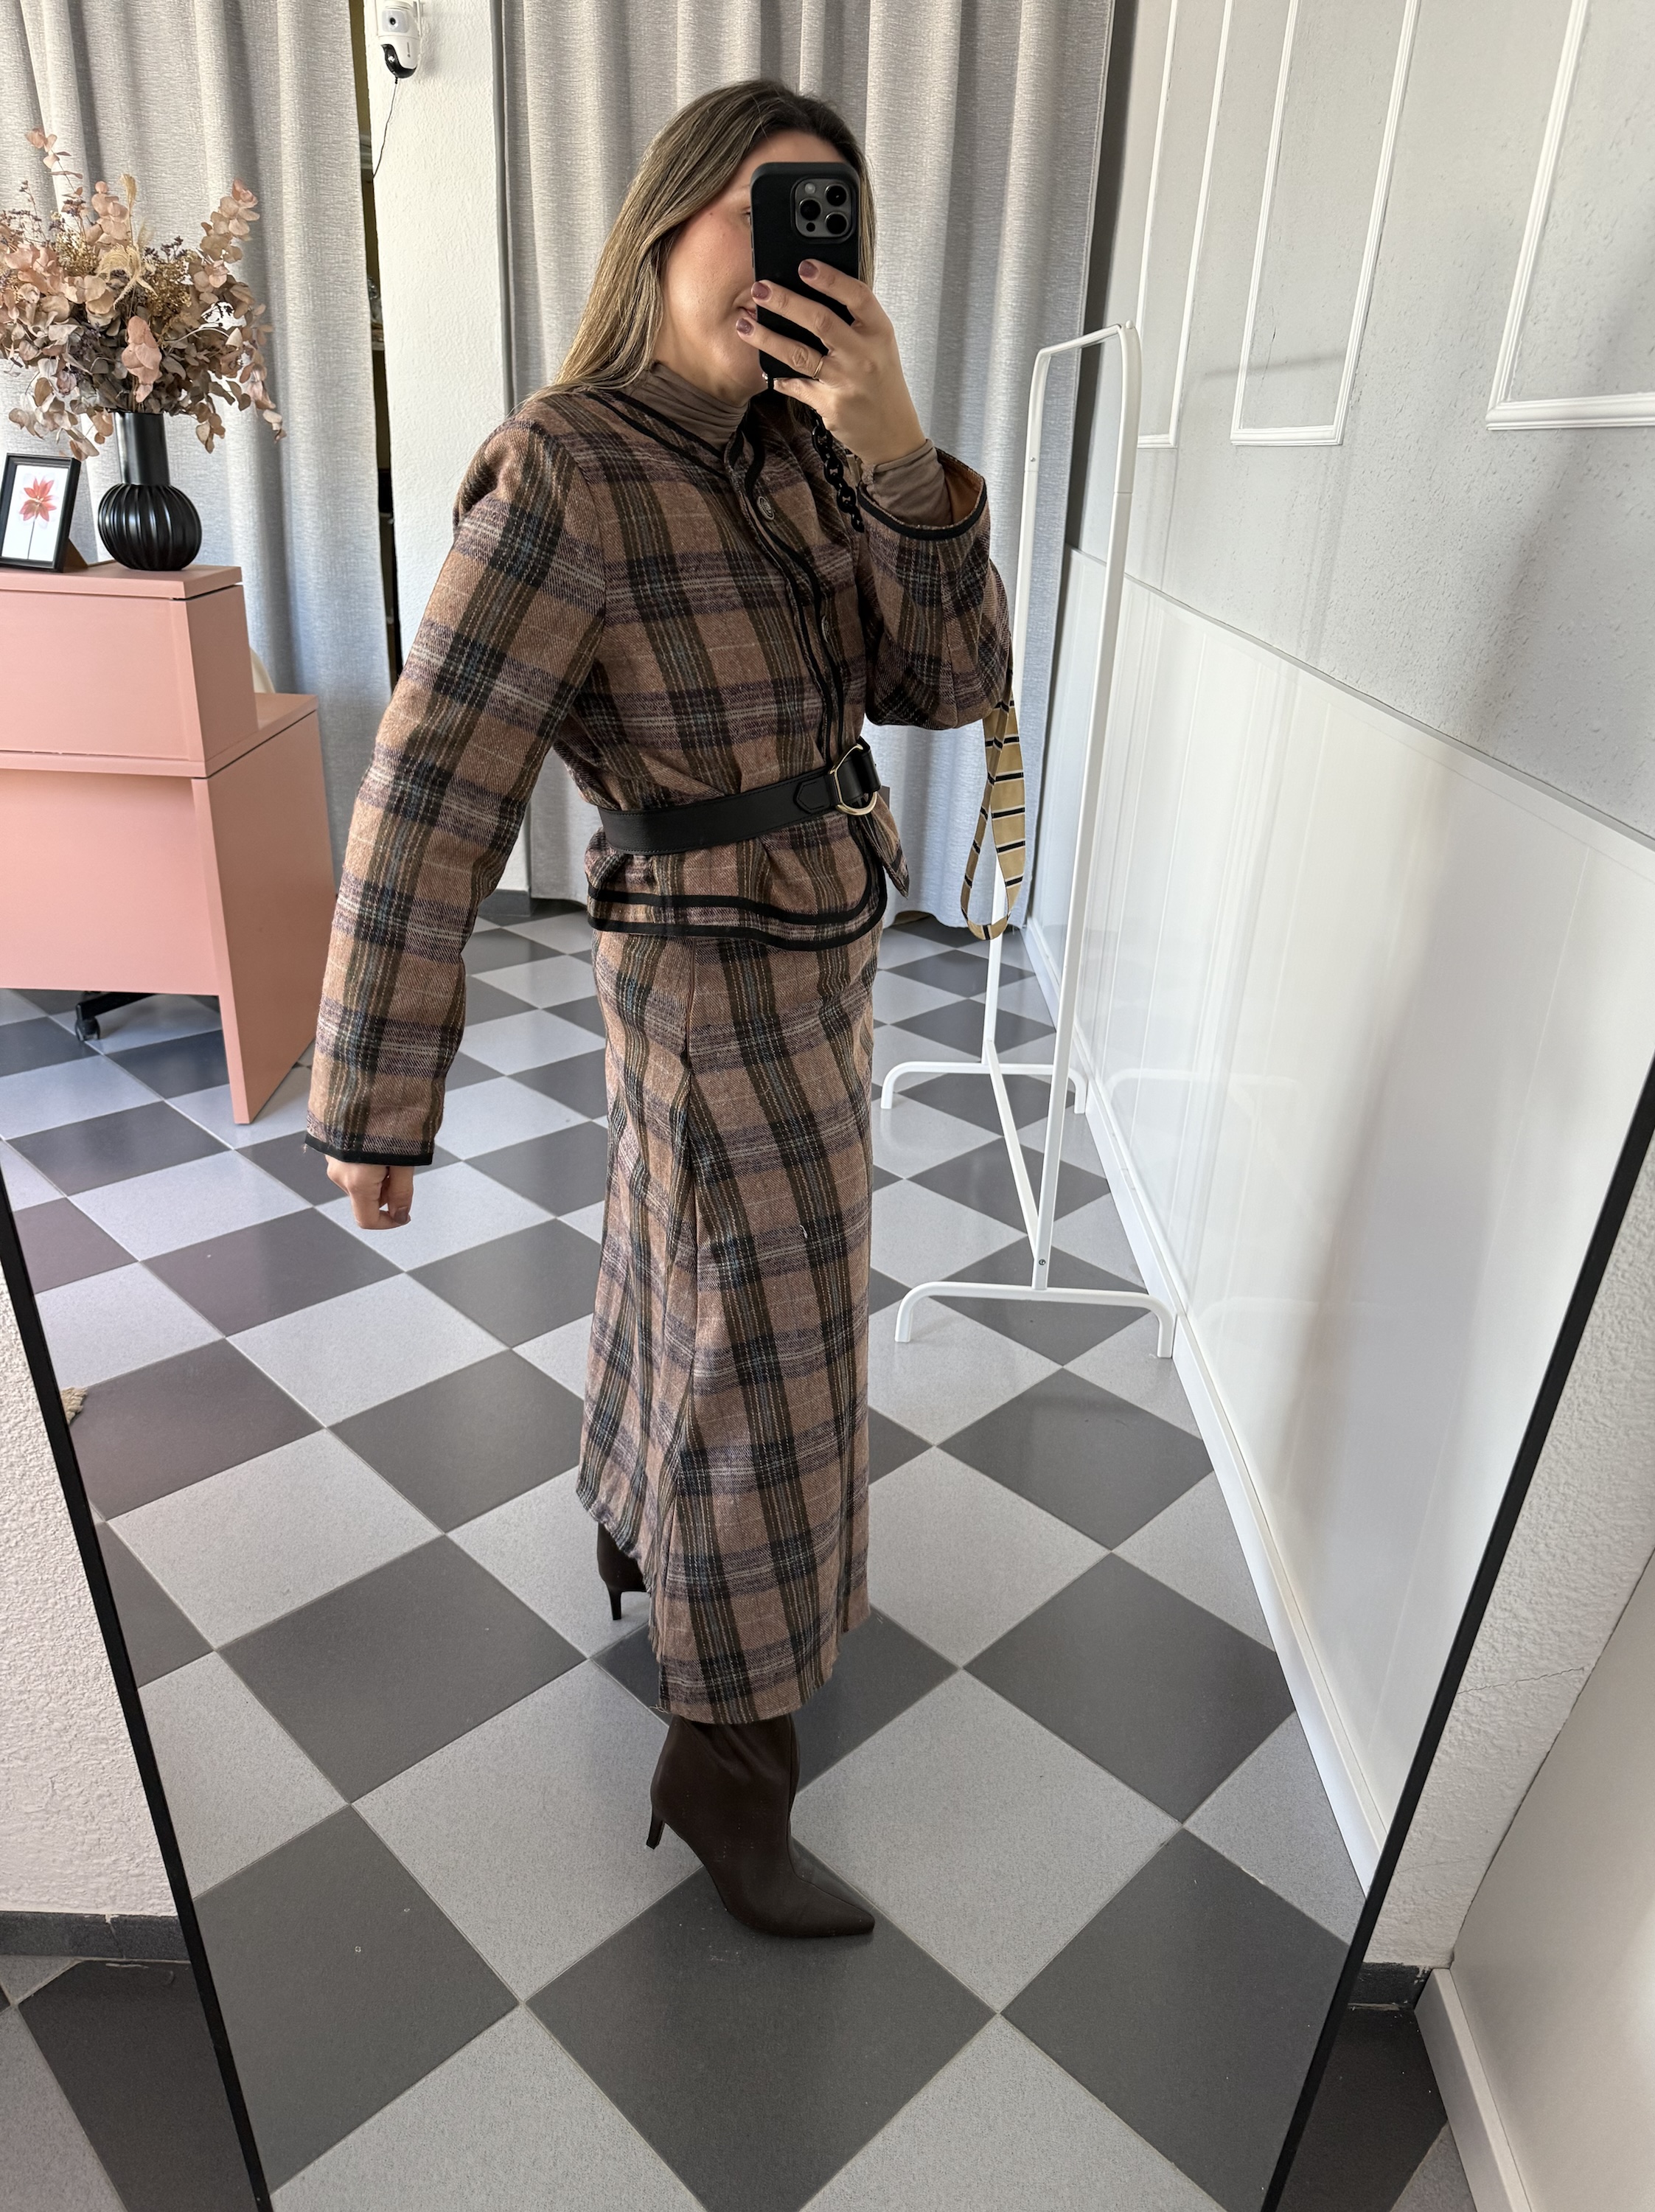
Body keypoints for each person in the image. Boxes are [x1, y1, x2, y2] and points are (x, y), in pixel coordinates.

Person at [305, 78, 1011, 1938]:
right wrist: (378, 1092)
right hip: (705, 970)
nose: (795, 261)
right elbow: (434, 788)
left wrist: (900, 457)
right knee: (771, 1349)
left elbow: (946, 681)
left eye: (829, 227)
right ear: (669, 220)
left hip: (821, 936)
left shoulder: (809, 450)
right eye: (766, 214)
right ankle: (729, 1769)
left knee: (680, 1280)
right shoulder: (567, 469)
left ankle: (640, 1533)